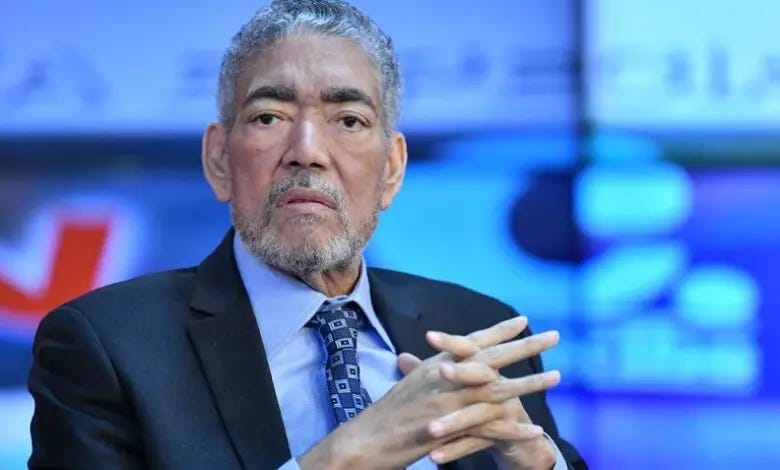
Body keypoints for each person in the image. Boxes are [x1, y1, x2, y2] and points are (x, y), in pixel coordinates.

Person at [27, 1, 587, 468]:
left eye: (349, 121)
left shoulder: (477, 329)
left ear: (392, 170)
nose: (308, 151)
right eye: (269, 117)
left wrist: (537, 462)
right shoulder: (108, 346)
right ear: (219, 160)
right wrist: (346, 456)